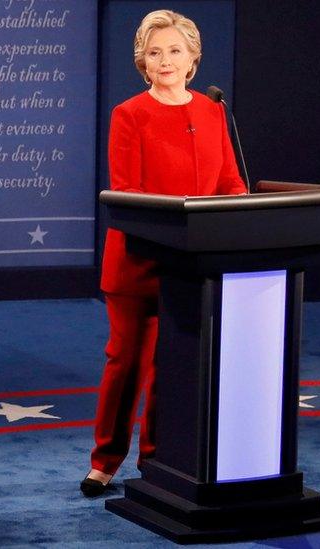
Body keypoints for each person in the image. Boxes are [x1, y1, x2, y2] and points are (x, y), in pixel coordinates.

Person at [81, 10, 246, 497]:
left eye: (175, 50)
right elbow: (125, 192)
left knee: (172, 368)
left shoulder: (213, 111)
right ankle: (106, 460)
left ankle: (156, 462)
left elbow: (229, 182)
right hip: (139, 263)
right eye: (156, 53)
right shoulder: (129, 114)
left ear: (193, 57)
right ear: (143, 61)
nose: (166, 60)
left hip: (196, 266)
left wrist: (239, 212)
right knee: (126, 362)